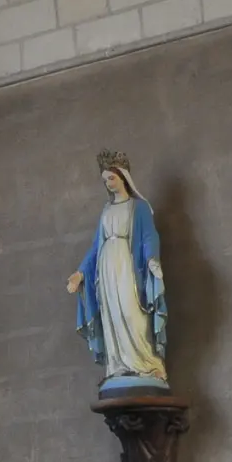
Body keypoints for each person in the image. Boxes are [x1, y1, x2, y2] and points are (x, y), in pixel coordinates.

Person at [67, 151, 169, 396]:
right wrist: (80, 273)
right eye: (105, 180)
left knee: (132, 312)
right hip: (106, 269)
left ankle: (146, 364)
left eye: (111, 178)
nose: (108, 183)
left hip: (127, 266)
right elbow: (95, 247)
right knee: (113, 314)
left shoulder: (139, 207)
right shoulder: (106, 210)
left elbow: (148, 237)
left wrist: (152, 259)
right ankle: (118, 366)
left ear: (123, 177)